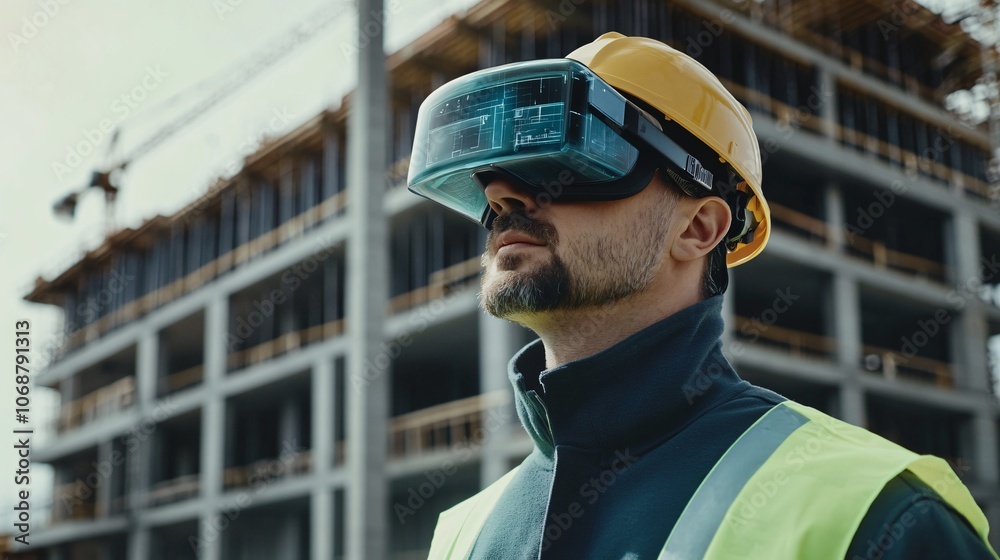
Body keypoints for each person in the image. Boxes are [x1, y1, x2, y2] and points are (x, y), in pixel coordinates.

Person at [406, 32, 999, 559]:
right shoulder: (464, 532)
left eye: (571, 156)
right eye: (494, 180)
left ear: (698, 229)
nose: (503, 195)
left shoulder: (879, 516)